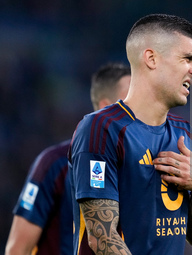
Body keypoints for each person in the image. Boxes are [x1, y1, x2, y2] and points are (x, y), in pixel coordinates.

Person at [68, 14, 192, 255]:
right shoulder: (102, 128)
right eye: (189, 59)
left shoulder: (183, 133)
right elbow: (102, 238)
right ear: (151, 58)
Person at [5, 62, 131, 255]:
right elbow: (17, 249)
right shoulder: (54, 164)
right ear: (107, 108)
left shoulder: (145, 164)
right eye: (131, 100)